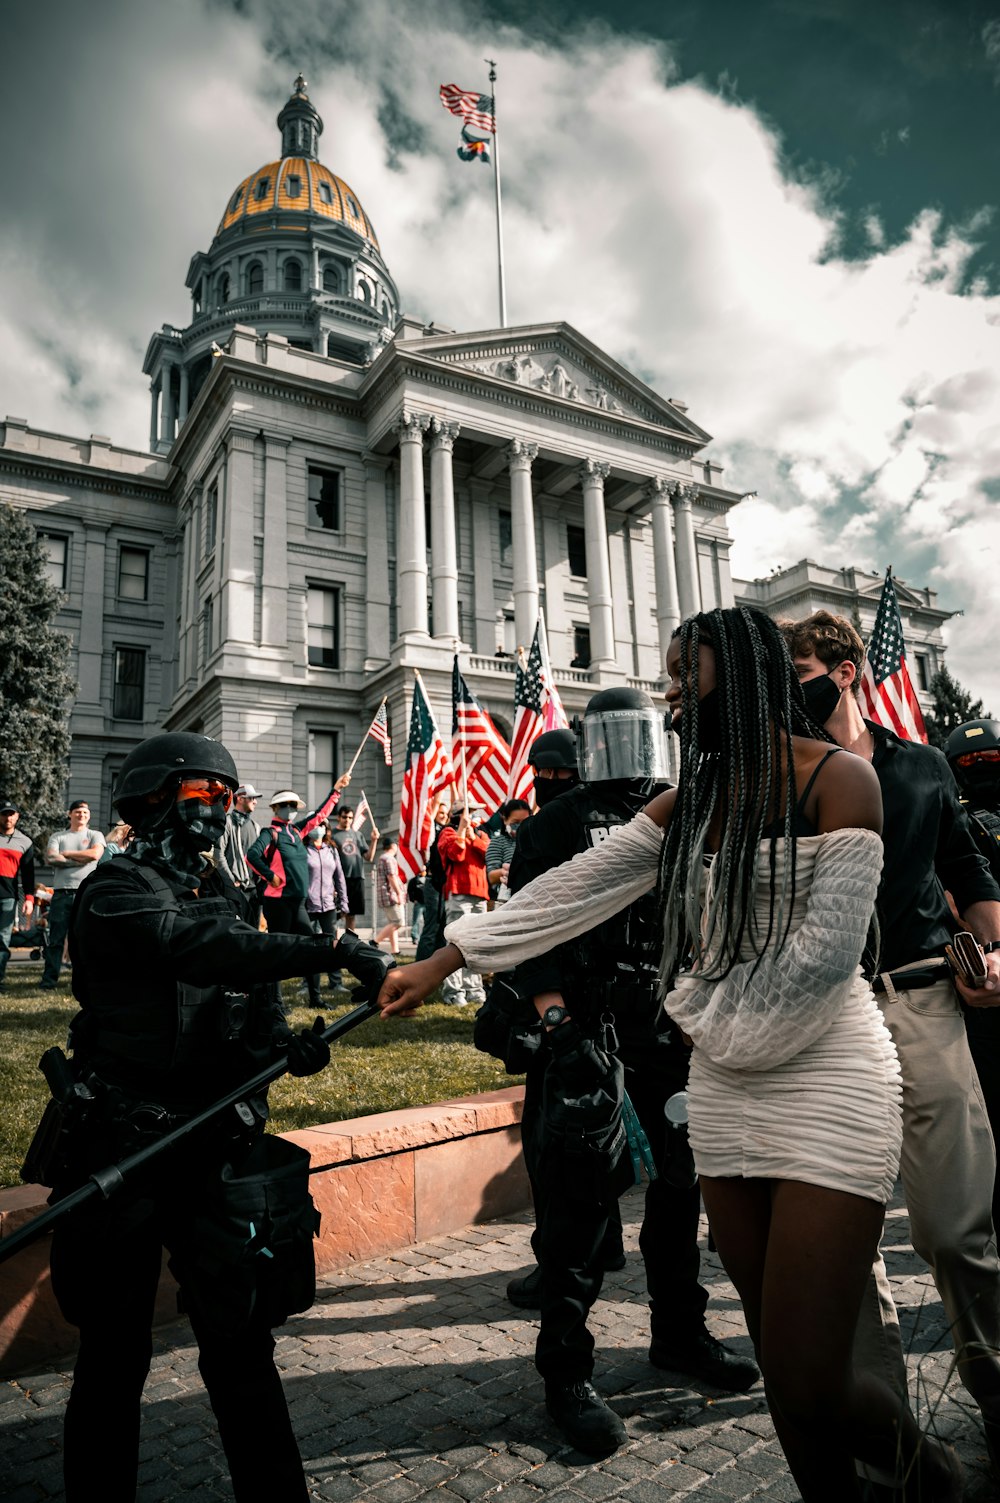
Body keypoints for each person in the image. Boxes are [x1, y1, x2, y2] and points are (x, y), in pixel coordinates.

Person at [379, 606, 963, 1501]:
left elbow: (819, 965)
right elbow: (580, 882)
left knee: (813, 1376)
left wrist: (694, 1013)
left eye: (685, 676)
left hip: (825, 1079)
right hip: (727, 1089)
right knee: (785, 1381)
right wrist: (446, 956)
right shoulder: (694, 797)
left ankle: (935, 1474)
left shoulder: (843, 780)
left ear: (743, 673)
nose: (671, 698)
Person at [49, 731, 394, 1503]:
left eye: (228, 799)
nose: (221, 812)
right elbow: (198, 948)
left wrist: (281, 1049)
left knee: (241, 1348)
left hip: (212, 1149)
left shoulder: (226, 895)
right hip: (124, 1149)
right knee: (114, 1355)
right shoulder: (113, 891)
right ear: (155, 798)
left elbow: (249, 1000)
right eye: (206, 795)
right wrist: (332, 947)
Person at [502, 687, 759, 1455]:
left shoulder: (686, 810)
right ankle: (566, 1373)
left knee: (680, 1197)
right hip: (585, 1035)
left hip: (675, 1034)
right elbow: (528, 929)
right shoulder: (553, 823)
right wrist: (557, 1022)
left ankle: (679, 1334)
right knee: (576, 1213)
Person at [785, 611, 1000, 1477]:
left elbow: (967, 870)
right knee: (849, 1248)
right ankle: (891, 1449)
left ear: (842, 671)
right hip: (823, 1023)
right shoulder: (783, 776)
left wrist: (992, 950)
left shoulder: (921, 765)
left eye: (796, 665)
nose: (786, 684)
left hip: (924, 1002)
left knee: (958, 1229)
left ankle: (995, 1390)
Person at [946, 717, 1000, 1231]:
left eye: (990, 762)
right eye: (970, 764)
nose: (981, 772)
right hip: (985, 984)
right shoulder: (959, 827)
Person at [247, 779, 351, 946]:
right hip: (278, 903)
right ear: (275, 808)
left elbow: (320, 815)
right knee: (281, 949)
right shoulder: (270, 833)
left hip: (300, 902)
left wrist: (336, 791)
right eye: (285, 804)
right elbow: (251, 855)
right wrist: (270, 875)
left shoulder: (297, 831)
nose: (289, 808)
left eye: (293, 805)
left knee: (309, 945)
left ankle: (312, 974)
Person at [41, 801, 105, 989]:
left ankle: (85, 981)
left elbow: (95, 855)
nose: (81, 815)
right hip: (61, 894)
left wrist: (67, 854)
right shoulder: (58, 836)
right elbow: (51, 857)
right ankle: (49, 981)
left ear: (89, 815)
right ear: (69, 814)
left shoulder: (95, 835)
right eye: (77, 812)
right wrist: (80, 860)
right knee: (55, 940)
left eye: (85, 812)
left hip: (86, 893)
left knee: (85, 939)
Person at [437, 801, 490, 1007]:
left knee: (476, 944)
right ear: (460, 814)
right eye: (472, 811)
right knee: (457, 943)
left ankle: (474, 988)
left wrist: (472, 837)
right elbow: (454, 854)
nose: (476, 816)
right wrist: (461, 831)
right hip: (459, 892)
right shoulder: (448, 832)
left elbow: (488, 853)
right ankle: (453, 990)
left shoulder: (479, 834)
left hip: (480, 894)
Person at [304, 822, 349, 1002]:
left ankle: (335, 982)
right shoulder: (304, 850)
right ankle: (307, 984)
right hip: (308, 905)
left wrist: (344, 902)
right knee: (309, 947)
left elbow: (339, 878)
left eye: (321, 825)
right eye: (315, 825)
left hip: (328, 905)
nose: (318, 828)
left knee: (332, 944)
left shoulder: (331, 851)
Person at [215, 783, 261, 923]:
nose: (255, 801)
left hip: (255, 890)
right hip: (237, 888)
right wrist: (230, 881)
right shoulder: (227, 822)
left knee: (255, 931)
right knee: (240, 929)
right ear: (240, 798)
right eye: (252, 798)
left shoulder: (256, 826)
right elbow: (218, 855)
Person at [0, 800, 35, 987]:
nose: (8, 817)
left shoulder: (25, 842)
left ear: (17, 816)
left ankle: (0, 980)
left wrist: (29, 899)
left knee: (2, 940)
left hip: (7, 897)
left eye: (11, 814)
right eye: (4, 813)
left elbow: (29, 874)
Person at [330, 805, 379, 934]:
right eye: (344, 817)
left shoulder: (358, 835)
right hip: (339, 880)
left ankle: (349, 943)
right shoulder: (332, 835)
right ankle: (333, 943)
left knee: (352, 914)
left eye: (350, 817)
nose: (347, 820)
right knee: (336, 915)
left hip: (357, 878)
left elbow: (369, 857)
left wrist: (374, 840)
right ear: (339, 817)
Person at [484, 799, 531, 904]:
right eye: (515, 823)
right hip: (507, 899)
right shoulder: (498, 841)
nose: (520, 826)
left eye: (524, 822)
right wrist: (510, 872)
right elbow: (491, 876)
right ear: (505, 820)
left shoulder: (534, 840)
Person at [374, 835, 406, 953]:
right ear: (393, 846)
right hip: (390, 895)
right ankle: (375, 941)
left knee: (392, 922)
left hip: (384, 895)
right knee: (398, 922)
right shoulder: (389, 859)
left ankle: (395, 950)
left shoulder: (382, 858)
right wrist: (399, 894)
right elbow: (391, 877)